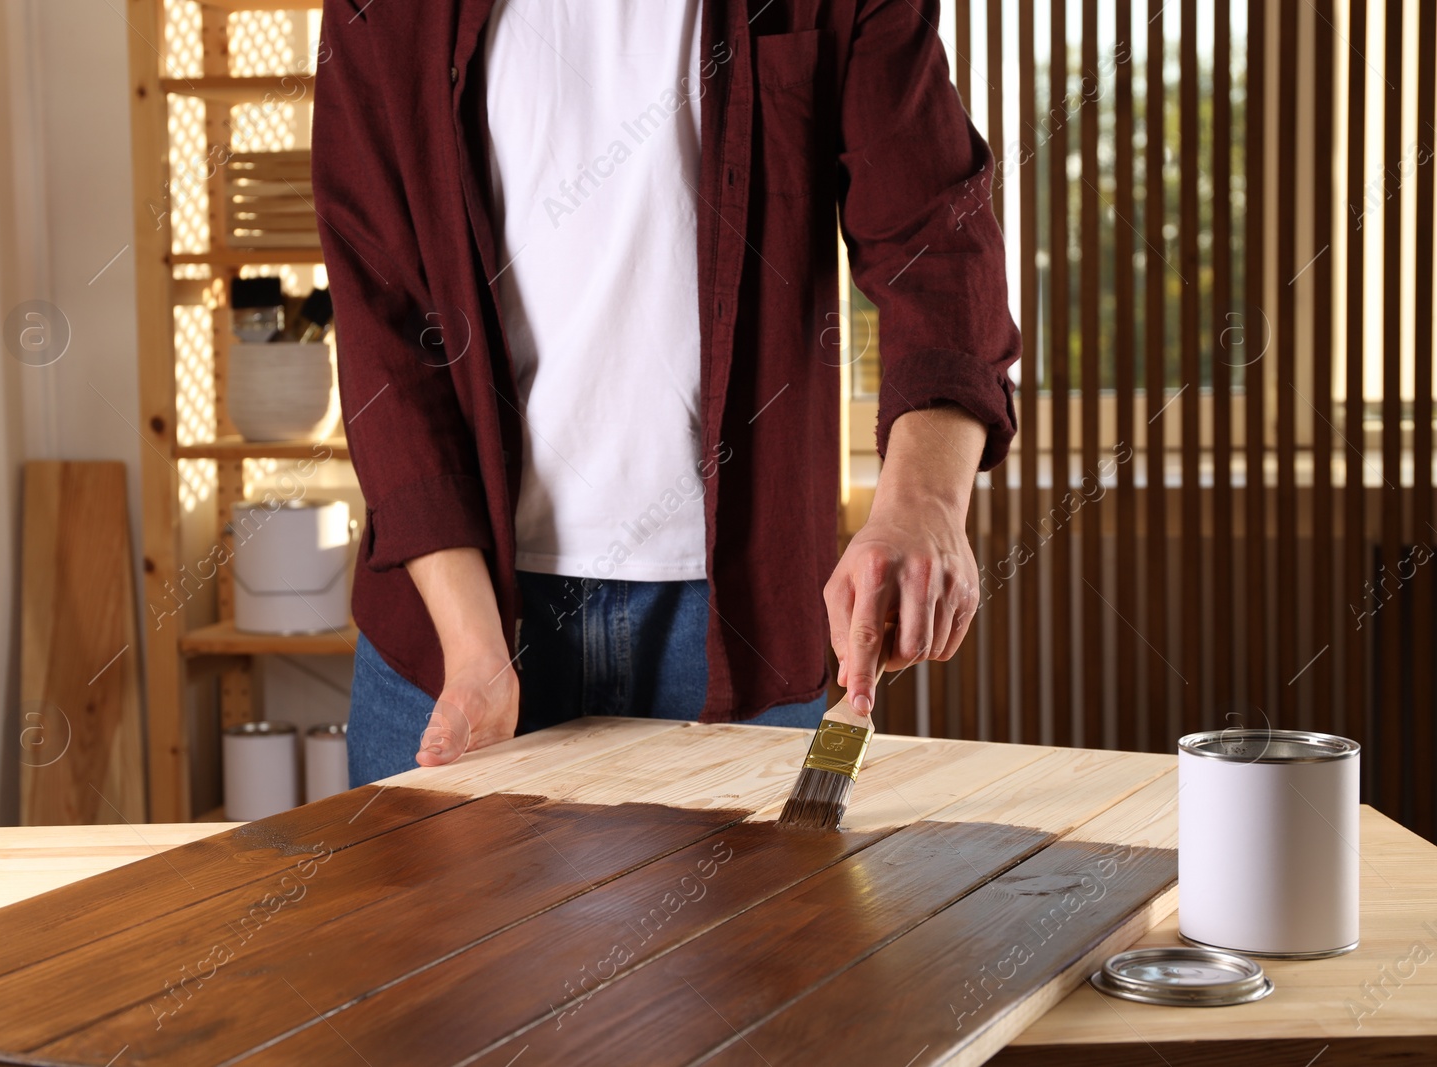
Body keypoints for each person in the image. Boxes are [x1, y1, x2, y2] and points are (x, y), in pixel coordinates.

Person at [312, 0, 1019, 785]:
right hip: (454, 627)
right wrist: (474, 642)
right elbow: (383, 314)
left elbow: (937, 243)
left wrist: (923, 500)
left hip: (735, 623)